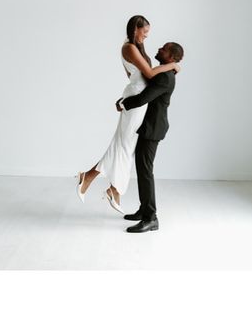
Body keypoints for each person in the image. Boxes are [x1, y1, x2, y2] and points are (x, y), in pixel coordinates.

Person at [76, 16, 181, 213]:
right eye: (145, 32)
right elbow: (148, 74)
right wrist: (173, 66)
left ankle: (111, 187)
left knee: (125, 145)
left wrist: (127, 99)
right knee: (123, 145)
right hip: (137, 99)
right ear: (135, 29)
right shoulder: (130, 47)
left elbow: (139, 76)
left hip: (137, 97)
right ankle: (95, 180)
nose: (146, 37)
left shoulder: (136, 48)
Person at [117, 40, 185, 233]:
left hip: (153, 128)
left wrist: (122, 104)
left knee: (146, 171)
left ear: (171, 57)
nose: (159, 49)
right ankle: (144, 209)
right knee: (142, 169)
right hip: (149, 127)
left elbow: (142, 98)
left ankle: (151, 218)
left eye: (163, 50)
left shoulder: (165, 77)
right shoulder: (165, 72)